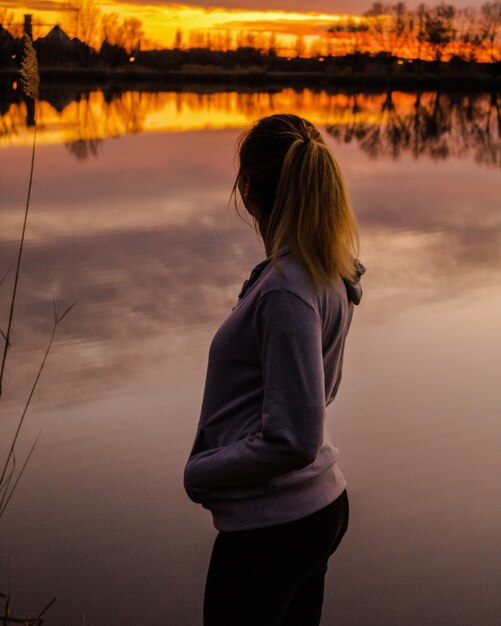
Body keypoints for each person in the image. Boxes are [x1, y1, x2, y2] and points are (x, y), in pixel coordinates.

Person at [184, 113, 364, 626]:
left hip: (275, 524)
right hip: (312, 510)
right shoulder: (324, 270)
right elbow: (320, 392)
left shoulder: (288, 290)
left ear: (247, 190)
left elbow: (295, 437)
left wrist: (199, 473)